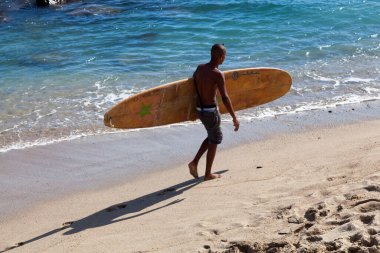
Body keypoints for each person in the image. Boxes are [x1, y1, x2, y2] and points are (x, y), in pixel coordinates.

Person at [188, 44, 240, 181]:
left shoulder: (199, 68)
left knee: (211, 136)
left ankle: (194, 163)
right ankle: (207, 174)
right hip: (211, 112)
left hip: (200, 110)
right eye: (224, 56)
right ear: (221, 57)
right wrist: (234, 117)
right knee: (215, 139)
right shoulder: (218, 74)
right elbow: (225, 97)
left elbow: (194, 86)